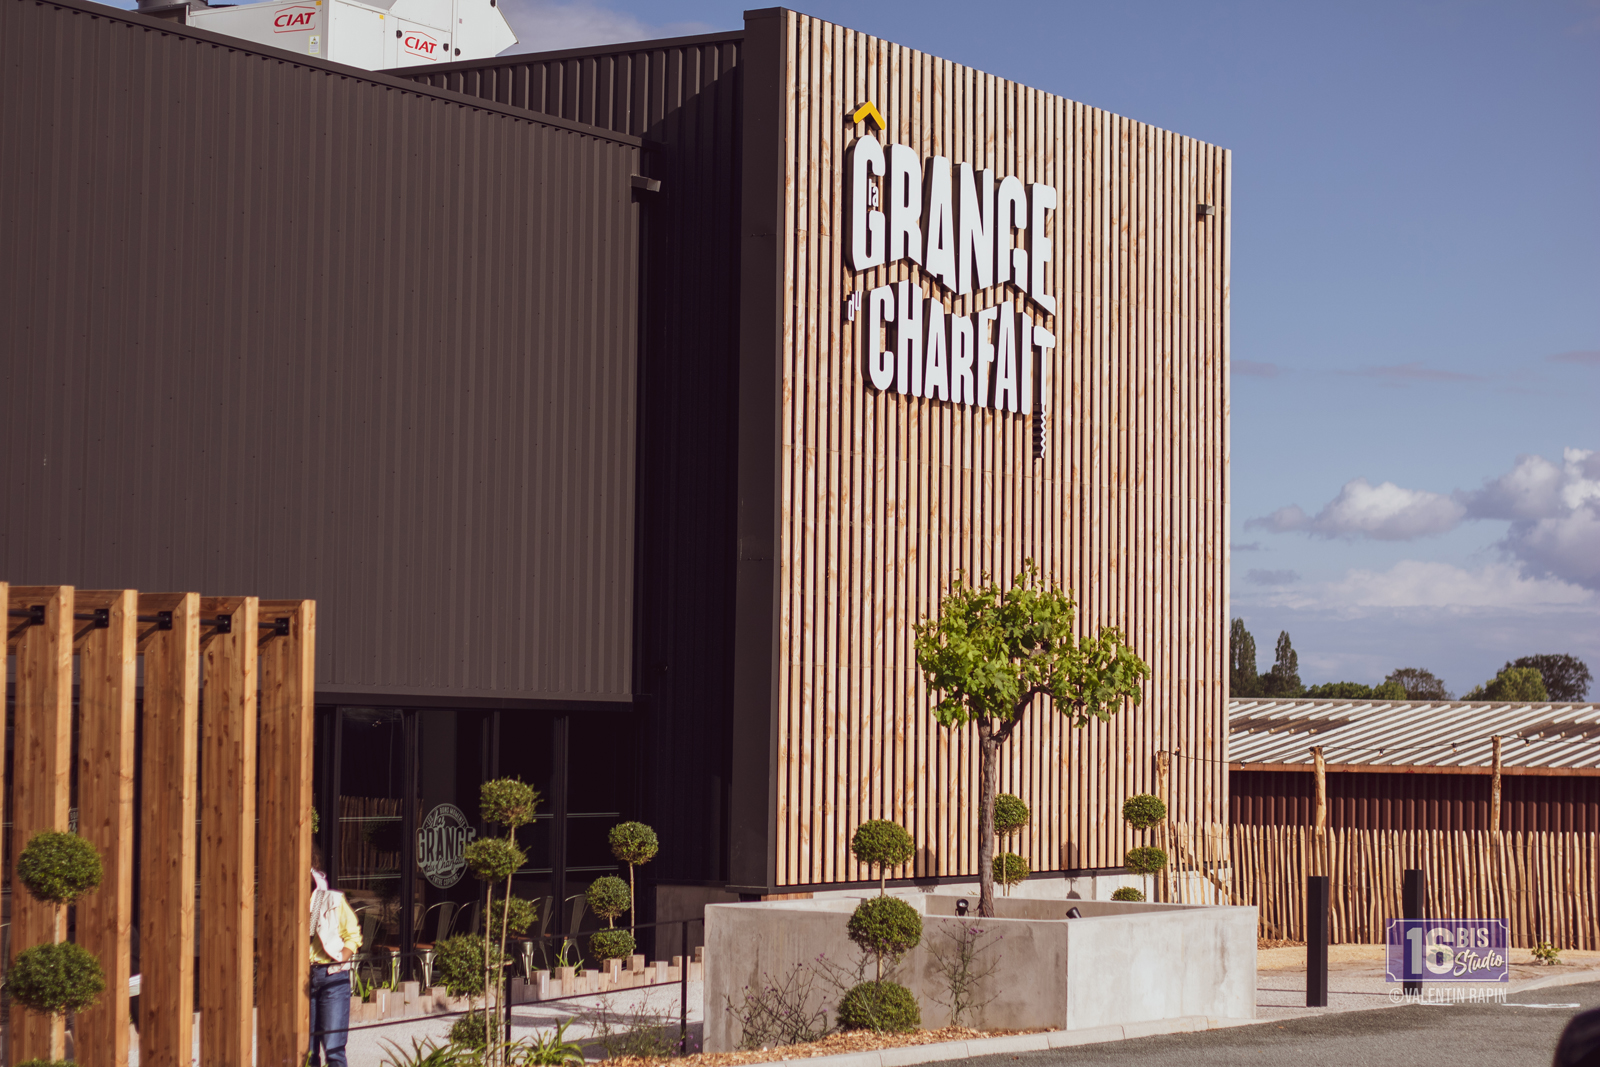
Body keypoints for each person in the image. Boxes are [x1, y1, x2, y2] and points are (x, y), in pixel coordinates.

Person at [308, 849, 363, 1067]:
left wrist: (341, 961)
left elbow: (353, 935)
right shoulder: (289, 903)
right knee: (307, 1051)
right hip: (303, 977)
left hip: (331, 976)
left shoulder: (332, 899)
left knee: (334, 1049)